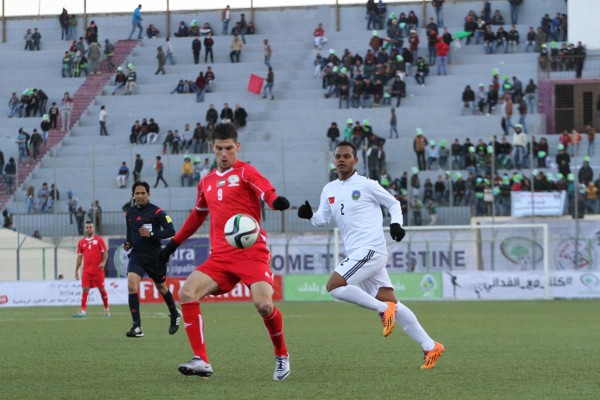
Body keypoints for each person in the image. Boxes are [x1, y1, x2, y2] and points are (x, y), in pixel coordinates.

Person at [157, 123, 291, 380]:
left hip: (251, 253)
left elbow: (266, 191)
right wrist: (172, 245)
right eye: (219, 149)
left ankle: (281, 354)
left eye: (229, 148)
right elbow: (197, 216)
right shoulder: (206, 182)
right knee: (186, 292)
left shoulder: (245, 172)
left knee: (264, 305)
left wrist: (276, 202)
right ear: (212, 148)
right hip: (220, 257)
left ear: (237, 146)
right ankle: (201, 360)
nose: (224, 153)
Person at [297, 140, 444, 369]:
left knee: (334, 286)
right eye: (338, 156)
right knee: (393, 302)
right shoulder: (329, 189)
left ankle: (383, 310)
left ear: (356, 160)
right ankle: (430, 345)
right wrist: (309, 215)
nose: (342, 160)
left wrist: (396, 224)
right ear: (334, 160)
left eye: (347, 156)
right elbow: (321, 220)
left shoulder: (367, 185)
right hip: (359, 254)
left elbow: (393, 203)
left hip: (371, 250)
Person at [123, 181, 179, 338]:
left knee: (161, 288)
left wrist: (152, 234)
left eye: (143, 193)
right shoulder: (129, 213)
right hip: (137, 256)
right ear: (133, 195)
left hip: (155, 256)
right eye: (137, 193)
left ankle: (174, 314)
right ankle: (137, 327)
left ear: (148, 194)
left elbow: (171, 231)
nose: (140, 196)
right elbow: (130, 232)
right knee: (132, 285)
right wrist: (128, 243)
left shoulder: (158, 212)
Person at [73, 221, 110, 318]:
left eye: (90, 227)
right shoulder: (81, 242)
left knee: (102, 289)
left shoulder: (99, 240)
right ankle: (83, 311)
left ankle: (106, 309)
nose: (89, 229)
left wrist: (103, 263)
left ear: (93, 229)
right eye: (87, 227)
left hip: (98, 271)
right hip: (86, 271)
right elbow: (79, 257)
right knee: (85, 290)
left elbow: (105, 253)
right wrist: (76, 271)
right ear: (85, 229)